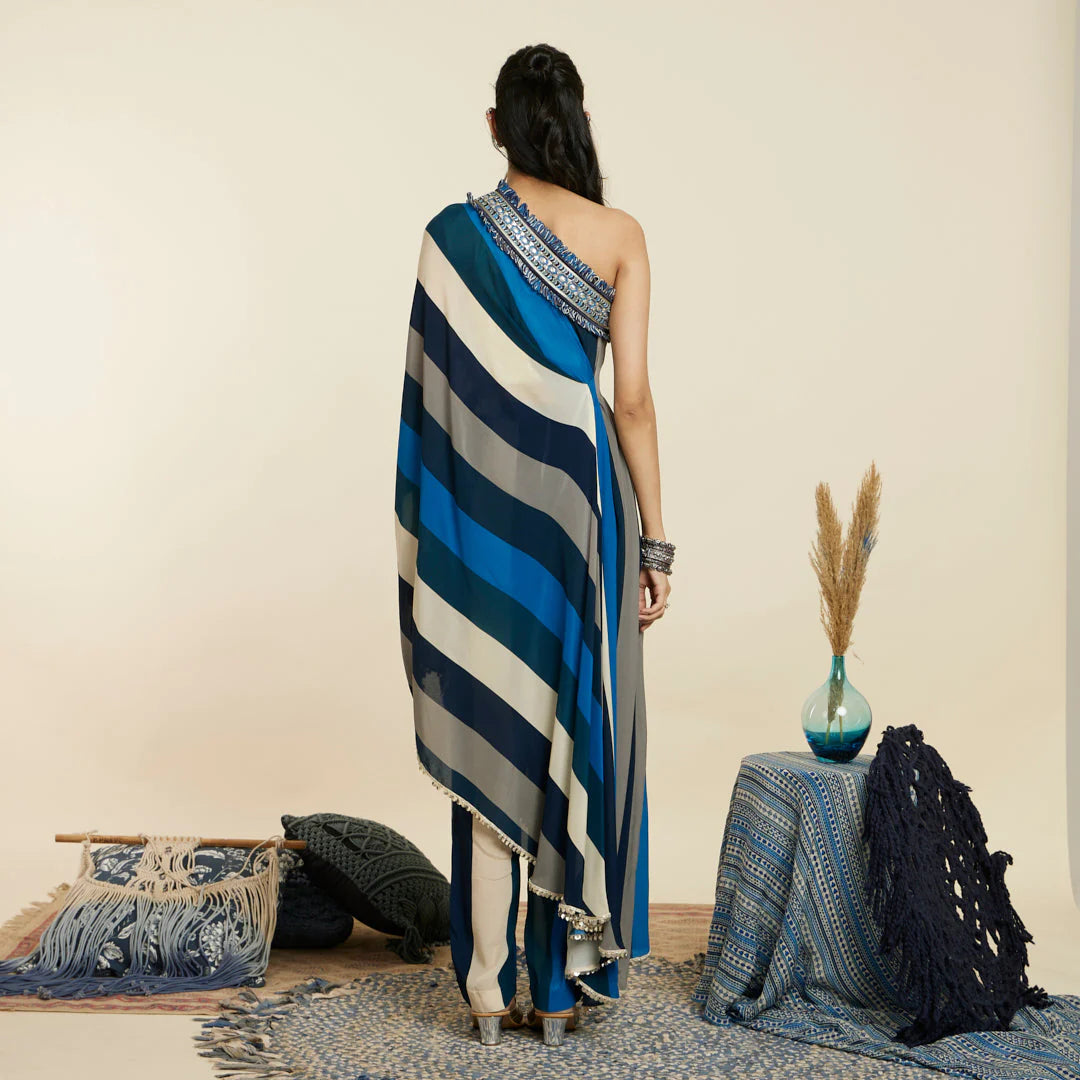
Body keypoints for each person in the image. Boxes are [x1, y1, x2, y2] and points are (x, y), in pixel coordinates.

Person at [393, 42, 673, 1047]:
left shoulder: (448, 239)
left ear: (495, 126)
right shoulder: (620, 236)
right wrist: (657, 544)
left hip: (484, 518)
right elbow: (630, 402)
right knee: (573, 725)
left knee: (491, 715)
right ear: (577, 123)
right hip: (583, 516)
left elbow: (434, 408)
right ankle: (556, 995)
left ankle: (484, 992)